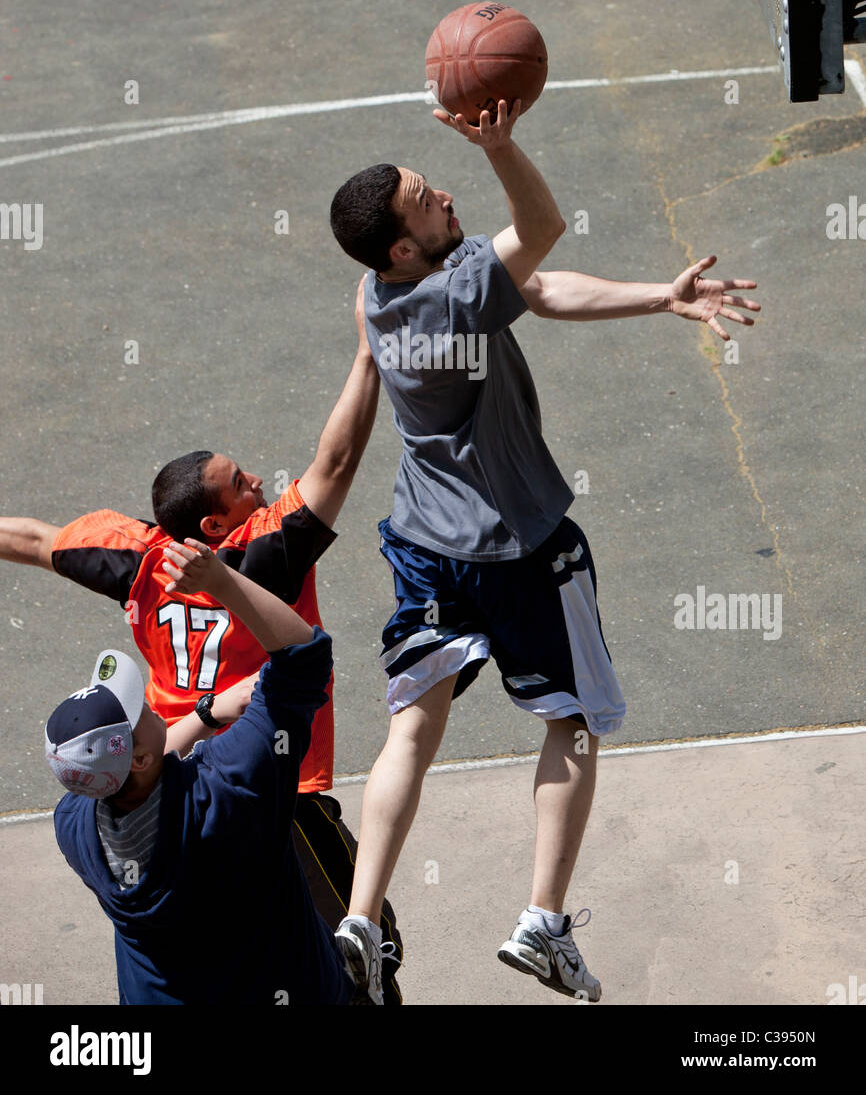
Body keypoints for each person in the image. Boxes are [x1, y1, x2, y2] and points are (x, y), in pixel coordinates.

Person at [328, 98, 761, 1003]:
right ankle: (543, 924)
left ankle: (360, 920)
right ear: (403, 245)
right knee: (571, 719)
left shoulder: (376, 292)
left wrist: (658, 295)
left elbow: (533, 286)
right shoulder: (451, 291)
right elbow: (543, 231)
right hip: (519, 546)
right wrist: (500, 146)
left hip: (420, 539)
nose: (444, 194)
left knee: (414, 724)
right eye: (425, 198)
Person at [2, 285, 403, 1001]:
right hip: (275, 786)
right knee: (367, 948)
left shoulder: (133, 559)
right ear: (215, 530)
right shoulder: (267, 553)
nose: (260, 484)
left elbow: (32, 540)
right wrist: (369, 354)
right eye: (244, 485)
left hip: (178, 777)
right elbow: (336, 465)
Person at [46, 538, 355, 1005]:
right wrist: (219, 582)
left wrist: (206, 714)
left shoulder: (73, 824)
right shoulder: (230, 786)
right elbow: (303, 656)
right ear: (140, 760)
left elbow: (142, 768)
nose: (150, 704)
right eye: (139, 710)